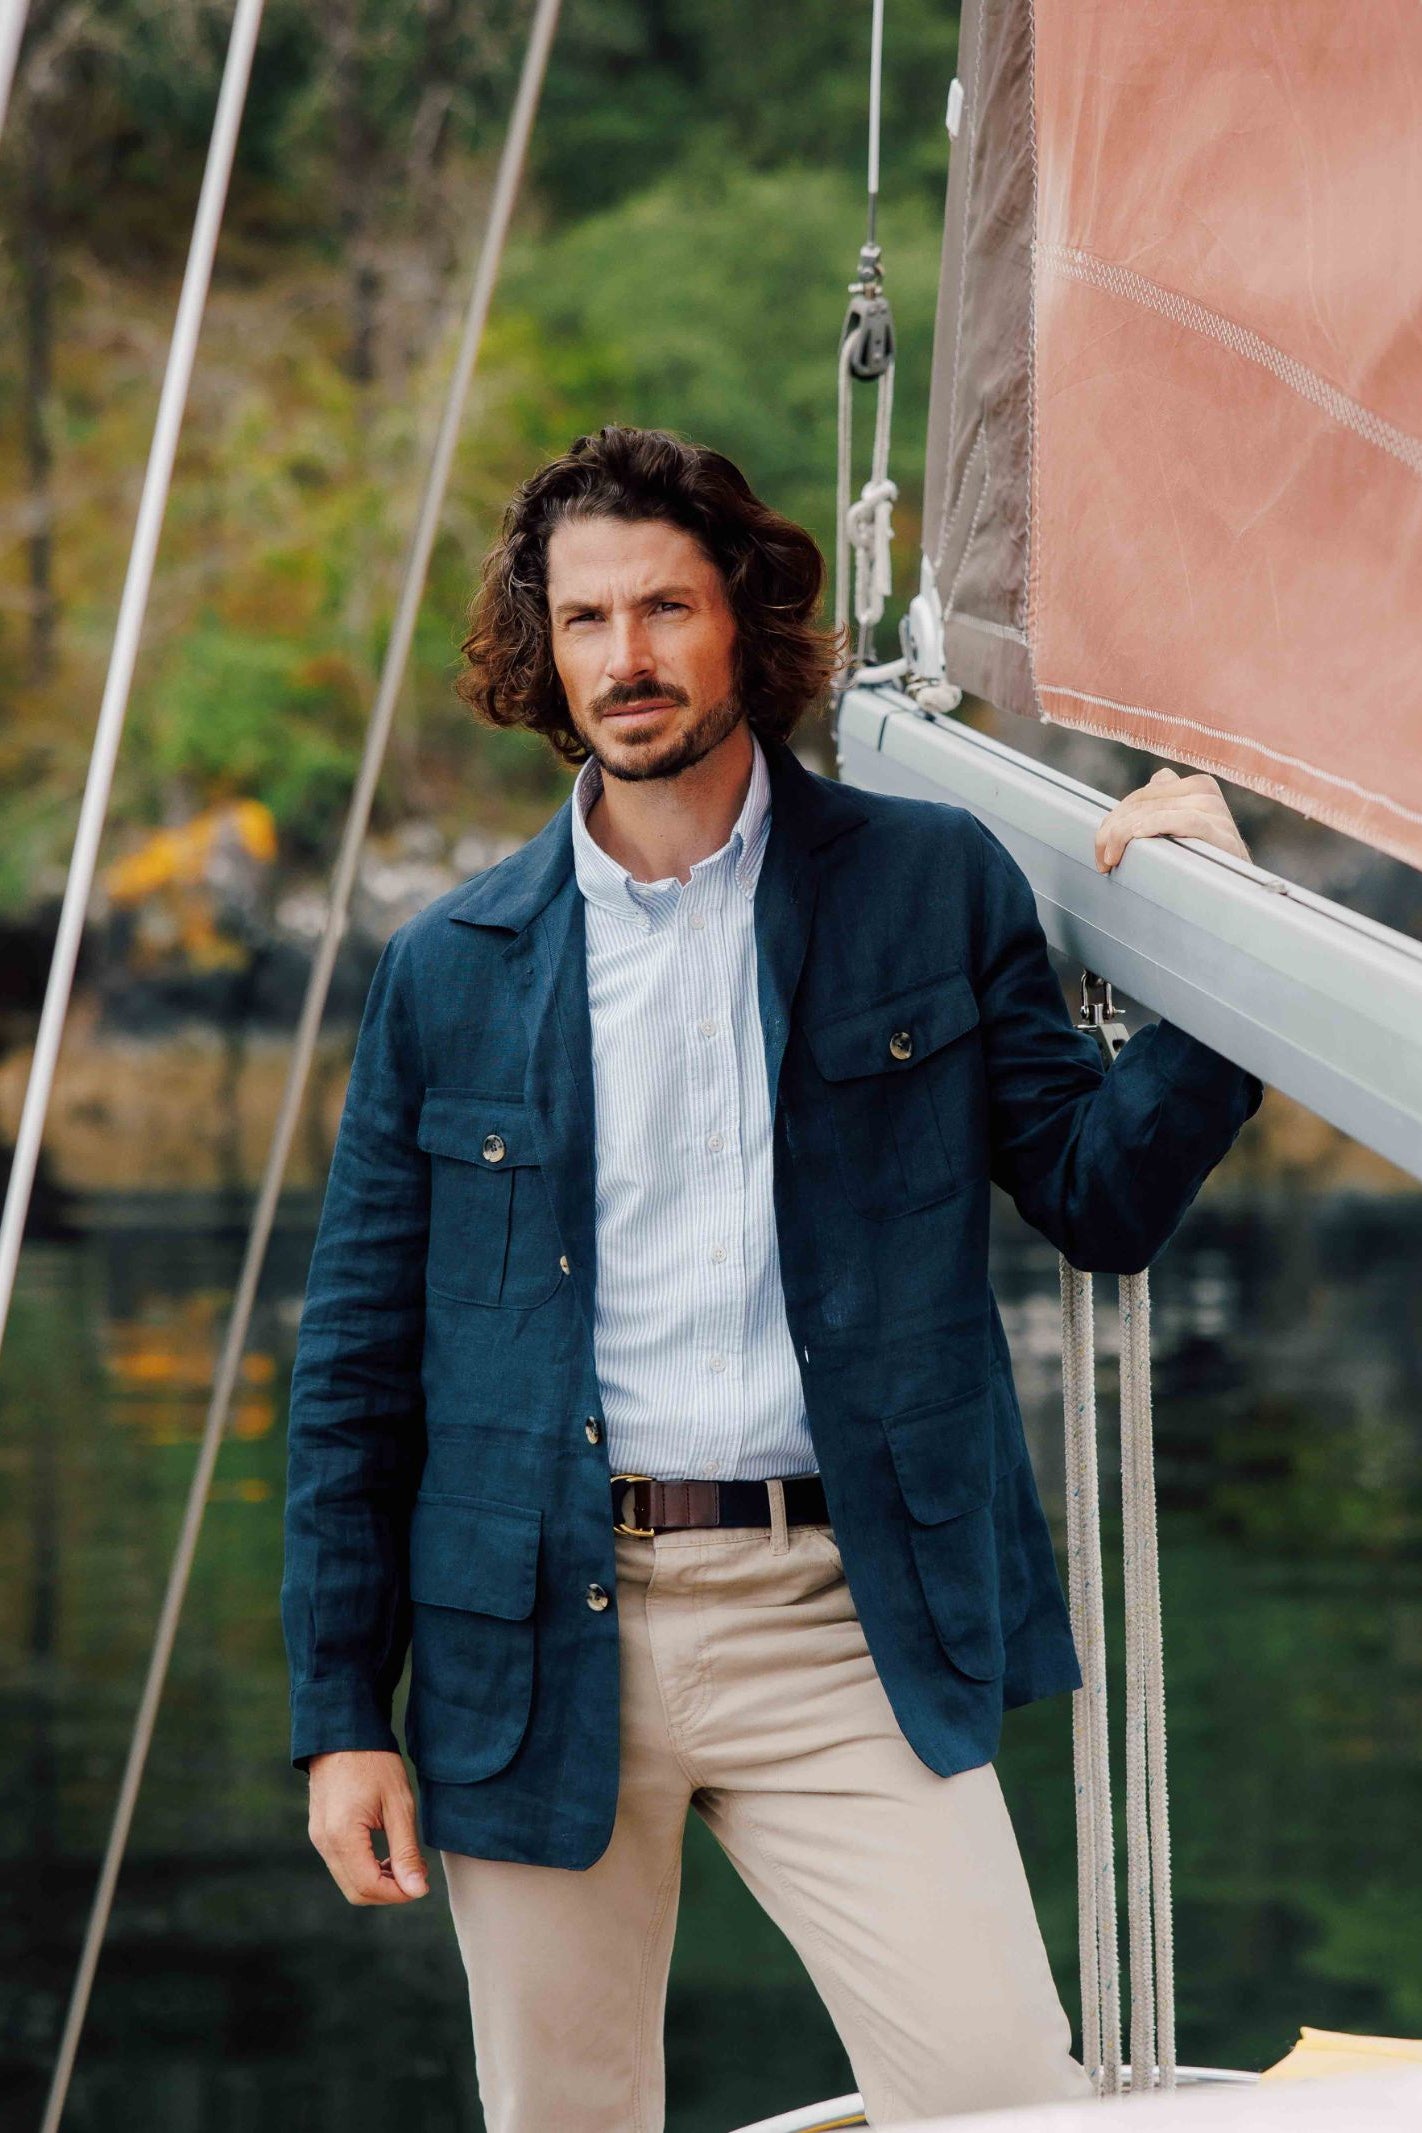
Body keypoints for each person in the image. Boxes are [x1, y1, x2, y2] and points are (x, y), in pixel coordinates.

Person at [282, 425, 1260, 2131]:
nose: (626, 657)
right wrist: (336, 1716)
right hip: (533, 1625)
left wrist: (1226, 949)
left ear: (742, 616)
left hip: (845, 1616)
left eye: (663, 606)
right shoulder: (452, 968)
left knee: (999, 2101)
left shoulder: (923, 885)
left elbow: (1098, 1201)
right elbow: (358, 1368)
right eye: (584, 620)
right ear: (544, 649)